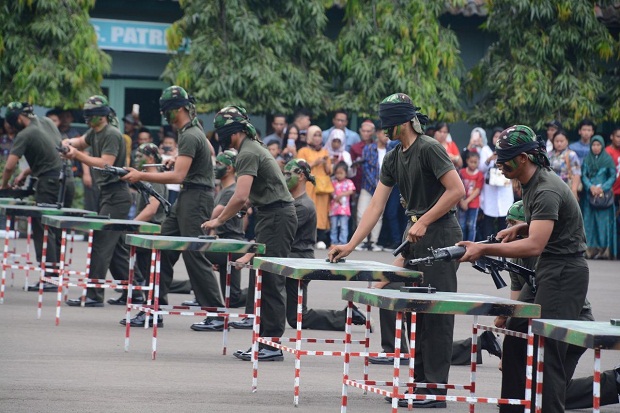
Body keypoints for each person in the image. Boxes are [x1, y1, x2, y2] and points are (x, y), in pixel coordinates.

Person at [329, 93, 465, 408]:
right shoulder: (393, 155)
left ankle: (434, 390)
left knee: (437, 314)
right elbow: (376, 204)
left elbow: (457, 189)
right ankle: (419, 384)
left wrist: (426, 220)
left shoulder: (430, 148)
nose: (383, 129)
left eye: (387, 123)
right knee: (413, 311)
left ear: (403, 122)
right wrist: (350, 244)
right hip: (414, 233)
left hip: (441, 232)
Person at [457, 125, 589, 413]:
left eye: (506, 159)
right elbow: (544, 226)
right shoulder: (531, 184)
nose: (500, 165)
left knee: (548, 350)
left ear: (526, 158)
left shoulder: (545, 188)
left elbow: (534, 246)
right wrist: (522, 227)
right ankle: (513, 408)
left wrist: (483, 248)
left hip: (563, 271)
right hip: (548, 268)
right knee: (516, 334)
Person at [120, 86, 223, 327]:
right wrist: (179, 158)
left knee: (194, 254)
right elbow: (206, 150)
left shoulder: (189, 134)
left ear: (178, 109)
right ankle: (153, 309)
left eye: (167, 111)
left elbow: (177, 177)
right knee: (163, 250)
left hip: (196, 198)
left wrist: (141, 176)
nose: (165, 116)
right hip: (190, 196)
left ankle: (217, 313)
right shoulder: (194, 128)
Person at [202, 105, 297, 361]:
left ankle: (271, 344)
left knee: (272, 281)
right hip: (271, 215)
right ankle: (263, 341)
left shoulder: (247, 152)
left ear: (230, 132)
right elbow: (248, 197)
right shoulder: (252, 148)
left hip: (277, 216)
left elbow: (240, 195)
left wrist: (218, 220)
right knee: (264, 280)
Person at [60, 96, 131, 307]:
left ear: (101, 116)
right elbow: (81, 141)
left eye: (90, 115)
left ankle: (94, 294)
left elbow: (105, 163)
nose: (87, 119)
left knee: (101, 245)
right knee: (116, 249)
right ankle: (134, 291)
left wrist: (77, 156)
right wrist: (67, 143)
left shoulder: (111, 134)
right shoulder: (95, 132)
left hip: (116, 195)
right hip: (107, 194)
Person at [283, 158, 365, 330]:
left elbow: (282, 232)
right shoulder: (294, 203)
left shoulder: (303, 206)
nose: (284, 178)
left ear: (300, 176)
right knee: (291, 312)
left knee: (297, 317)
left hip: (298, 260)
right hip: (294, 259)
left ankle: (346, 316)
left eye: (288, 174)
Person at [2, 102, 75, 290]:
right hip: (67, 179)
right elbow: (52, 153)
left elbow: (10, 165)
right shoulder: (47, 122)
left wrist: (3, 186)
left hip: (49, 183)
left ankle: (49, 276)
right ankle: (56, 274)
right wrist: (26, 173)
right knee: (57, 227)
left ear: (18, 119)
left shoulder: (24, 134)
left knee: (42, 227)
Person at [191, 150, 250, 332]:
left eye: (219, 164)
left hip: (230, 242)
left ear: (230, 168)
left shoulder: (231, 191)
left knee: (195, 253)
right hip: (229, 240)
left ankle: (208, 301)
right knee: (232, 297)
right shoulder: (226, 189)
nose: (216, 167)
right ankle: (212, 298)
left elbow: (214, 215)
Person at [108, 142, 168, 305]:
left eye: (139, 156)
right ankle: (131, 290)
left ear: (150, 158)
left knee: (117, 246)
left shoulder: (156, 180)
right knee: (141, 266)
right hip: (145, 229)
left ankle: (135, 292)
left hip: (151, 230)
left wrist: (131, 225)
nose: (136, 159)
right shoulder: (146, 178)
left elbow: (152, 209)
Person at [581, 135, 617, 259]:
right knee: (589, 223)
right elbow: (583, 175)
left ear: (602, 146)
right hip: (589, 197)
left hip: (604, 197)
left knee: (604, 224)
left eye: (598, 145)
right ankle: (589, 250)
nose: (596, 148)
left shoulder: (608, 160)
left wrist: (602, 188)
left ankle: (604, 251)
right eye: (594, 145)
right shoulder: (587, 160)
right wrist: (591, 187)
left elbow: (613, 176)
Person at [355, 125, 389, 252]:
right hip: (368, 186)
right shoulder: (369, 148)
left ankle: (373, 242)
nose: (386, 136)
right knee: (361, 213)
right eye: (384, 133)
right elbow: (366, 168)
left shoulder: (390, 149)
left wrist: (382, 186)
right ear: (378, 134)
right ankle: (361, 241)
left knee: (379, 215)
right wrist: (376, 185)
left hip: (383, 188)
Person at [297, 125, 332, 250]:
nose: (317, 138)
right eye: (315, 135)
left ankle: (321, 238)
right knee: (307, 209)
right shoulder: (303, 151)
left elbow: (329, 171)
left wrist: (326, 162)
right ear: (309, 137)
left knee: (321, 212)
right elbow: (299, 168)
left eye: (319, 135)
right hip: (308, 185)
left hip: (322, 187)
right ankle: (306, 237)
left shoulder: (325, 151)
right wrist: (315, 163)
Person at [478, 126, 513, 240]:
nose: (497, 139)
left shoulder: (509, 149)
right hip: (490, 190)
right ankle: (487, 243)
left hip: (504, 189)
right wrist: (490, 159)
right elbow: (481, 168)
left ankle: (503, 241)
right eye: (495, 136)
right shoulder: (486, 150)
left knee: (504, 218)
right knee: (488, 218)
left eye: (500, 136)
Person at [458, 152, 484, 242]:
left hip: (473, 204)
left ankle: (470, 245)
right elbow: (458, 186)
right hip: (461, 203)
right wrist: (462, 201)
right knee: (462, 225)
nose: (473, 164)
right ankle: (462, 244)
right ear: (467, 161)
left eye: (475, 162)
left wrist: (466, 201)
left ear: (478, 162)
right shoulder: (461, 172)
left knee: (471, 225)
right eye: (471, 162)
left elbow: (477, 190)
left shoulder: (479, 175)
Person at [548, 129, 581, 199]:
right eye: (557, 141)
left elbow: (576, 173)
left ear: (567, 141)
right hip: (551, 189)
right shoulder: (549, 155)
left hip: (566, 189)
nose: (559, 143)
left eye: (561, 141)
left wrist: (574, 190)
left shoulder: (572, 155)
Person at [329, 162, 355, 245]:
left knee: (344, 227)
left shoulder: (348, 182)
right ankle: (334, 241)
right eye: (337, 173)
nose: (339, 175)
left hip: (344, 209)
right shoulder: (333, 182)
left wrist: (341, 195)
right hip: (334, 209)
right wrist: (335, 196)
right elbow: (330, 191)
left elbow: (352, 191)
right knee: (334, 227)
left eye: (341, 173)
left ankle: (343, 242)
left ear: (346, 173)